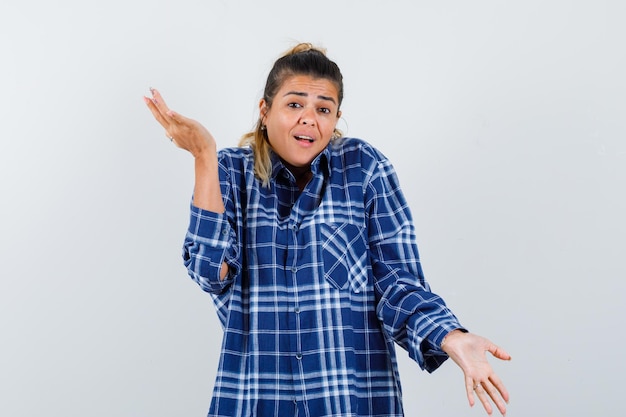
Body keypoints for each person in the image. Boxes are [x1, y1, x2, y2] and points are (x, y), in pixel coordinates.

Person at [144, 43, 511, 417]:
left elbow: (398, 285)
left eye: (323, 109)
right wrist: (204, 155)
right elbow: (210, 271)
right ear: (265, 111)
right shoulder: (230, 173)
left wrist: (452, 337)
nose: (309, 119)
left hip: (351, 404)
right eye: (294, 104)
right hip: (257, 400)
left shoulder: (364, 169)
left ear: (336, 118)